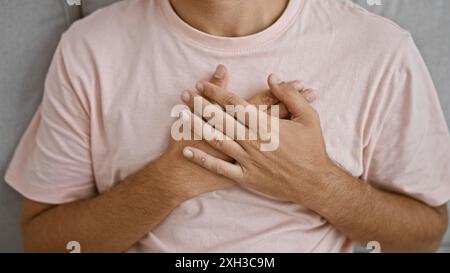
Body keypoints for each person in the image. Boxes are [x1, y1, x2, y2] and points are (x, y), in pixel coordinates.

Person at [5, 0, 450, 252]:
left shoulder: (378, 49)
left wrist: (316, 182)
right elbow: (44, 241)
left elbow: (425, 234)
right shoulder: (90, 49)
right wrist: (175, 176)